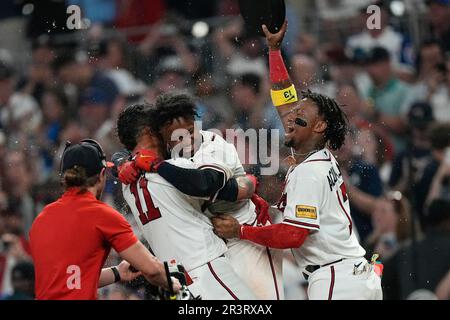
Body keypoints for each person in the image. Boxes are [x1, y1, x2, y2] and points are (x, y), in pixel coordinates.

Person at [211, 21, 382, 300]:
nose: (288, 118)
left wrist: (241, 231)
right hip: (356, 275)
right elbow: (283, 97)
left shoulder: (309, 172)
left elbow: (293, 236)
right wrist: (275, 51)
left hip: (335, 279)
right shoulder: (320, 156)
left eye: (298, 116)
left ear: (318, 127)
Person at [115, 94, 283, 300]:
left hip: (245, 239)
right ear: (157, 131)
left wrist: (248, 183)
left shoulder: (209, 146)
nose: (185, 138)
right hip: (206, 256)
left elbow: (207, 184)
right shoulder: (172, 165)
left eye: (189, 130)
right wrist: (122, 162)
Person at [29, 139, 179, 299]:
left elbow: (66, 280)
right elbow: (153, 270)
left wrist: (117, 273)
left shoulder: (41, 219)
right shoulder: (103, 216)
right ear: (102, 175)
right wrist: (174, 285)